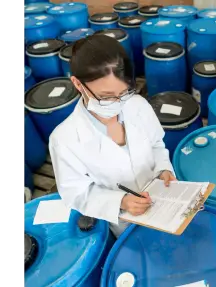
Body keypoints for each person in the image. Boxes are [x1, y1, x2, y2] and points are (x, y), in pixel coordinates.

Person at [49, 34, 177, 238]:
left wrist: (163, 169)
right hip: (124, 223)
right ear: (78, 84)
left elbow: (156, 145)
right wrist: (120, 201)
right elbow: (77, 193)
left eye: (124, 92)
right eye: (106, 96)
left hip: (163, 205)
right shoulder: (64, 140)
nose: (117, 103)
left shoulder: (138, 105)